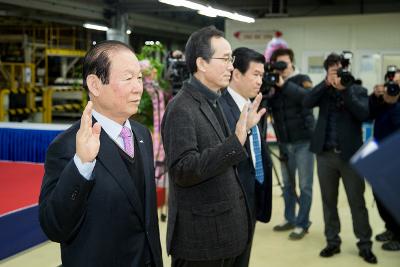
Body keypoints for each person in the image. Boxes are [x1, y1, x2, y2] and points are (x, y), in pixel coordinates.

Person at [39, 40, 163, 267]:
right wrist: (82, 165)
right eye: (128, 78)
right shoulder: (67, 146)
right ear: (95, 85)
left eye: (138, 78)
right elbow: (54, 226)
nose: (138, 87)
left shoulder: (141, 134)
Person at [161, 26, 266, 266]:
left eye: (232, 60)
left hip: (221, 232)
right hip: (201, 241)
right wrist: (234, 143)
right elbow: (183, 169)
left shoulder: (213, 100)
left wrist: (245, 130)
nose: (231, 66)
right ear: (202, 63)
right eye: (226, 59)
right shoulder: (181, 108)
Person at [303, 53, 377, 264]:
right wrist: (325, 84)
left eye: (341, 70)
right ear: (328, 72)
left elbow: (364, 114)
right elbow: (306, 102)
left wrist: (345, 91)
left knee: (357, 202)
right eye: (334, 71)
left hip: (350, 157)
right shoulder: (323, 91)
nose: (339, 75)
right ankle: (332, 242)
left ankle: (365, 245)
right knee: (328, 202)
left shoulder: (358, 90)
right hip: (325, 155)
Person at [219, 47, 273, 266]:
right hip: (233, 199)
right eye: (256, 74)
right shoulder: (220, 108)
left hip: (252, 194)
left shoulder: (253, 105)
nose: (260, 80)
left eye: (262, 75)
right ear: (237, 74)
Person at [266, 48, 315, 240]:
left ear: (292, 62)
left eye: (285, 63)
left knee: (305, 186)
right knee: (287, 185)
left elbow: (307, 98)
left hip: (303, 142)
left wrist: (283, 85)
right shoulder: (274, 84)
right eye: (279, 64)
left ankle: (302, 223)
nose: (282, 67)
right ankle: (290, 218)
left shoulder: (302, 78)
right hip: (284, 142)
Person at [368, 71, 400, 251]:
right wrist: (375, 96)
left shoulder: (396, 104)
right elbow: (369, 114)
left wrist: (394, 105)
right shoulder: (385, 100)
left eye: (399, 83)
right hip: (381, 155)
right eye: (393, 82)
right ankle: (391, 228)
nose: (395, 86)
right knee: (381, 196)